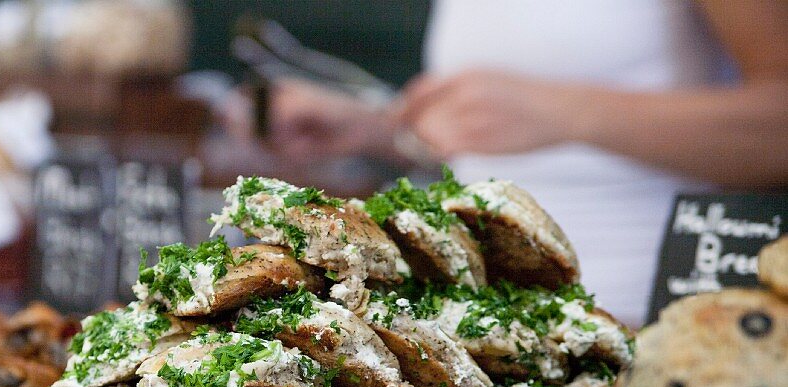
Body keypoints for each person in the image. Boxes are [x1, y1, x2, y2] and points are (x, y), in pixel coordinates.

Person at [254, 0, 788, 325]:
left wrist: (569, 113)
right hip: (490, 330)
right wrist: (380, 128)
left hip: (652, 328)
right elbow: (513, 133)